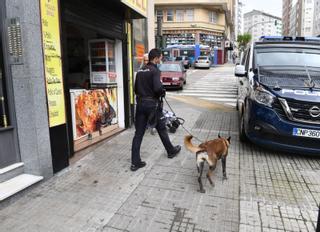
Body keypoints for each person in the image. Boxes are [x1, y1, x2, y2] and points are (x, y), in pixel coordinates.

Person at [131, 48, 181, 171]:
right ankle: (171, 151)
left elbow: (135, 89)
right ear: (156, 58)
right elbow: (158, 89)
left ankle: (135, 162)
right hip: (152, 106)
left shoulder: (141, 70)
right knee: (162, 128)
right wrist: (162, 92)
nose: (161, 59)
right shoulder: (155, 71)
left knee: (138, 133)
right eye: (161, 57)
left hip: (141, 104)